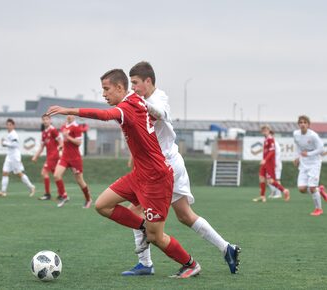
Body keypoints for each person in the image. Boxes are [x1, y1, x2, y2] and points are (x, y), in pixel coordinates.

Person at [47, 68, 201, 278]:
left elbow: (104, 115)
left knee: (157, 237)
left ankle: (190, 264)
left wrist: (69, 110)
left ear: (120, 88)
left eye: (106, 89)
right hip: (140, 174)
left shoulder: (128, 106)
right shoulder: (136, 102)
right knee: (102, 205)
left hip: (156, 178)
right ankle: (143, 227)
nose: (103, 94)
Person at [121, 61, 239, 276]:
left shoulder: (158, 98)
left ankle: (145, 264)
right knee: (185, 215)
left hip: (164, 169)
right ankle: (226, 248)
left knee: (135, 211)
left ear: (148, 81)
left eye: (136, 83)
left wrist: (141, 104)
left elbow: (161, 113)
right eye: (131, 84)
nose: (134, 87)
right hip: (163, 166)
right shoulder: (143, 100)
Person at [53, 115, 92, 208]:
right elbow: (64, 140)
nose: (69, 116)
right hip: (65, 157)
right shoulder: (64, 127)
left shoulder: (76, 128)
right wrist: (61, 145)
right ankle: (64, 196)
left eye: (71, 114)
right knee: (56, 175)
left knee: (80, 181)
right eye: (68, 114)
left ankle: (88, 199)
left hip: (75, 158)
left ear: (74, 116)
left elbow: (78, 143)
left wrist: (68, 137)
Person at [293, 115, 327, 216]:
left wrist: (309, 154)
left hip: (314, 163)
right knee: (302, 189)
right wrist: (297, 157)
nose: (302, 124)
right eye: (301, 122)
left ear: (308, 124)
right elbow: (297, 146)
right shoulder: (296, 134)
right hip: (304, 163)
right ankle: (319, 190)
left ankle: (318, 209)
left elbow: (321, 149)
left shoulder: (313, 135)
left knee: (312, 187)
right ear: (298, 124)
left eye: (305, 122)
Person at [0, 118, 35, 197]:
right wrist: (6, 143)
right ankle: (3, 191)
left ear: (13, 126)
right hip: (9, 156)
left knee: (19, 174)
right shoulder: (9, 134)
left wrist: (6, 143)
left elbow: (15, 145)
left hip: (14, 157)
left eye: (10, 125)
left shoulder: (14, 134)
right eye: (7, 125)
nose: (8, 126)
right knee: (5, 172)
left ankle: (31, 187)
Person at [253, 125, 290, 202]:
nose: (264, 130)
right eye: (263, 129)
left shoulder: (270, 139)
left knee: (271, 181)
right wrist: (264, 160)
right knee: (261, 178)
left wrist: (265, 160)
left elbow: (272, 151)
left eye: (266, 129)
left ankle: (285, 191)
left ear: (269, 130)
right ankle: (262, 196)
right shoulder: (265, 139)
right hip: (265, 163)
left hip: (269, 163)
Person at [32, 114, 63, 200]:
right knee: (56, 175)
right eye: (44, 119)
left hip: (54, 156)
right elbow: (42, 147)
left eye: (47, 119)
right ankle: (62, 194)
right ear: (42, 121)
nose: (45, 121)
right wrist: (35, 156)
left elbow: (60, 141)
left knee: (44, 172)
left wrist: (60, 149)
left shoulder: (53, 130)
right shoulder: (44, 133)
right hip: (50, 156)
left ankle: (47, 194)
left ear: (50, 120)